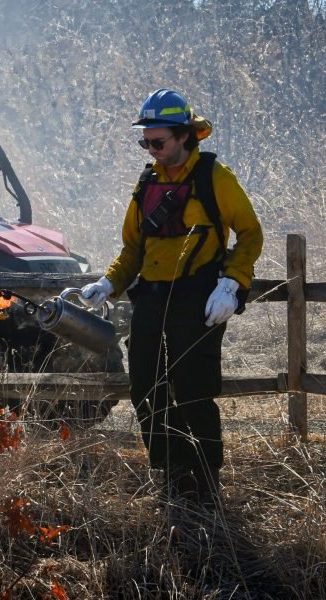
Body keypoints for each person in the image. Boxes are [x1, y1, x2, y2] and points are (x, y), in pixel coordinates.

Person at [80, 88, 263, 511]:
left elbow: (250, 234)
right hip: (151, 297)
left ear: (184, 136)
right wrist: (109, 283)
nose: (151, 150)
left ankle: (206, 482)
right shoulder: (148, 182)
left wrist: (231, 285)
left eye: (158, 142)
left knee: (194, 391)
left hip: (199, 298)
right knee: (145, 387)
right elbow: (133, 248)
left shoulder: (215, 177)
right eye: (145, 142)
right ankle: (172, 476)